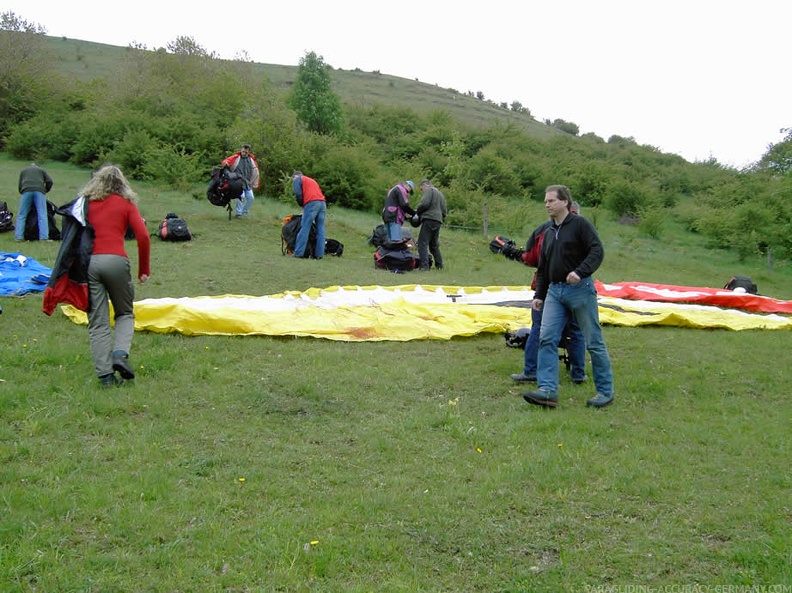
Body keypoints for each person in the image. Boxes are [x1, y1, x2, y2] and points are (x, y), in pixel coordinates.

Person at [522, 185, 615, 409]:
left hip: (580, 290)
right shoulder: (548, 232)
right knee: (547, 338)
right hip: (554, 291)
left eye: (551, 201)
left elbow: (597, 251)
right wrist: (540, 295)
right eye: (545, 201)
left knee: (593, 341)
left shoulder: (580, 225)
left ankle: (605, 391)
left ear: (565, 202)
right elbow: (543, 267)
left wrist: (580, 271)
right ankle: (547, 390)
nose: (547, 205)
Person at [82, 164, 151, 388]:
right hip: (116, 260)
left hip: (90, 263)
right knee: (124, 313)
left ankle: (105, 377)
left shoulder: (86, 204)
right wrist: (143, 270)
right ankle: (120, 354)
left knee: (98, 322)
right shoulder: (126, 204)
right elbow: (143, 236)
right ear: (122, 183)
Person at [503, 214, 587, 384]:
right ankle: (578, 373)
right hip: (575, 288)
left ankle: (532, 370)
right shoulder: (583, 230)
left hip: (551, 287)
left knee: (539, 329)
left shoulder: (545, 230)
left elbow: (533, 258)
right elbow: (593, 255)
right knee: (576, 330)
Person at [291, 171, 327, 259]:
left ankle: (298, 253)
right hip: (322, 203)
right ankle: (319, 254)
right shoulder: (311, 180)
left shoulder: (297, 179)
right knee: (320, 229)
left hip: (312, 203)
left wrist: (302, 206)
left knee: (305, 227)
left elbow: (298, 194)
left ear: (294, 177)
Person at [16, 162, 54, 241]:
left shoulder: (23, 171)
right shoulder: (41, 170)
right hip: (39, 191)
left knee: (22, 215)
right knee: (42, 214)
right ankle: (44, 237)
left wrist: (22, 191)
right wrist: (46, 190)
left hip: (26, 191)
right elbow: (50, 181)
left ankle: (19, 237)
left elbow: (20, 185)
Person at [415, 179, 447, 270]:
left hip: (429, 218)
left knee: (422, 243)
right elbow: (444, 210)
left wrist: (418, 212)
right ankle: (439, 265)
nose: (422, 192)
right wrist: (440, 218)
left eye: (421, 189)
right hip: (438, 220)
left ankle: (424, 266)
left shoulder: (429, 190)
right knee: (434, 245)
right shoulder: (440, 194)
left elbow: (424, 203)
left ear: (425, 185)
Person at [221, 144, 260, 219]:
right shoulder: (236, 157)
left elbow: (255, 171)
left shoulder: (251, 160)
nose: (244, 153)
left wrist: (253, 182)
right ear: (241, 150)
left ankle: (244, 212)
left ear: (248, 152)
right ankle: (238, 213)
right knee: (240, 196)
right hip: (238, 181)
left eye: (246, 152)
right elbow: (226, 161)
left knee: (251, 197)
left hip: (247, 182)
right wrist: (225, 164)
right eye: (243, 151)